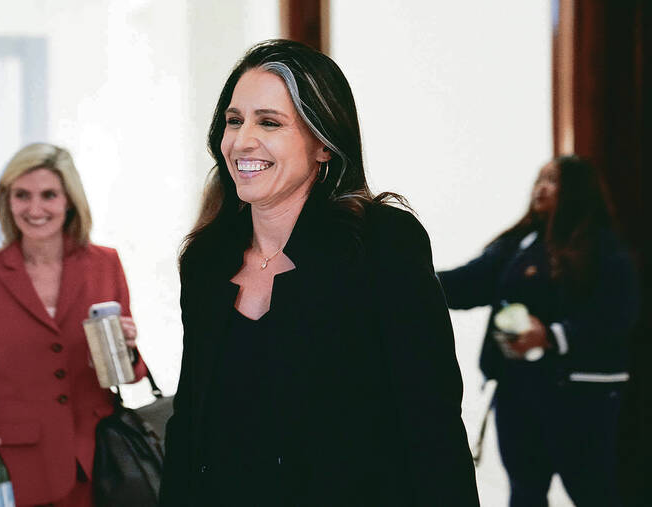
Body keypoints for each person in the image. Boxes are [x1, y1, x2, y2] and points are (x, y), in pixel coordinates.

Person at [160, 39, 479, 506]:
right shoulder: (207, 259)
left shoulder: (381, 242)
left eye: (269, 122)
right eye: (234, 121)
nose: (242, 140)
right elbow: (189, 422)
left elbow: (431, 421)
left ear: (323, 145)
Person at [0, 143, 148, 506]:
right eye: (22, 195)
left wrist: (125, 348)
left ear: (69, 200)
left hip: (99, 463)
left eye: (48, 195)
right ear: (7, 200)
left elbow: (125, 375)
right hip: (17, 466)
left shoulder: (105, 264)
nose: (35, 209)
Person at [438, 155, 639, 507]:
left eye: (554, 181)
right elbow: (467, 283)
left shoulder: (603, 248)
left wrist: (553, 335)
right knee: (526, 493)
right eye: (540, 179)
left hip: (581, 397)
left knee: (594, 492)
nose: (541, 187)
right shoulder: (519, 244)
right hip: (520, 394)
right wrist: (412, 280)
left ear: (577, 192)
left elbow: (615, 316)